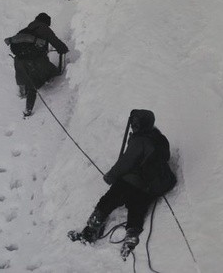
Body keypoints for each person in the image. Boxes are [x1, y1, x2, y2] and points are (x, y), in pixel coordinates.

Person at [72, 109, 177, 258]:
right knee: (137, 207)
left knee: (109, 200)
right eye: (133, 123)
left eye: (136, 123)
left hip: (133, 182)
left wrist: (110, 176)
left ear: (142, 125)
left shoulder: (140, 141)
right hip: (149, 186)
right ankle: (132, 235)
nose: (134, 125)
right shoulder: (158, 138)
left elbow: (125, 163)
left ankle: (90, 231)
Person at [5, 13, 69, 117]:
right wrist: (63, 49)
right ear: (46, 22)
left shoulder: (27, 29)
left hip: (20, 60)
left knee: (27, 79)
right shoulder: (44, 28)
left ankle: (22, 93)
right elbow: (55, 42)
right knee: (37, 82)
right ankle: (28, 110)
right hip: (35, 61)